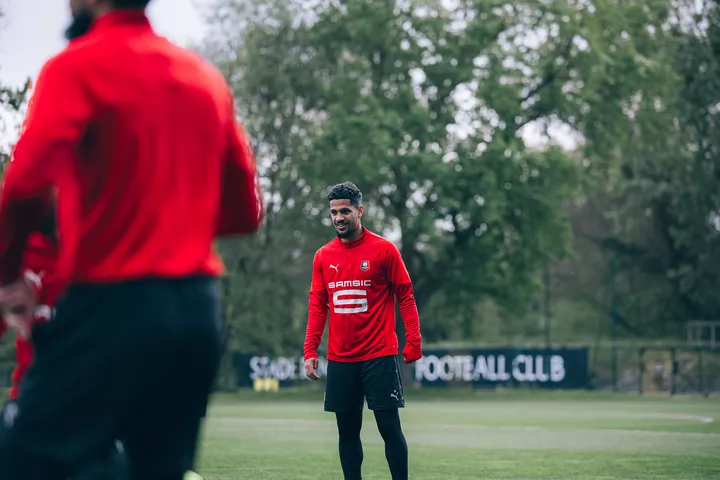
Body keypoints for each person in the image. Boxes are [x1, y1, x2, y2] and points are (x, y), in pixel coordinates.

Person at [0, 0, 263, 479]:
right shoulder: (203, 77)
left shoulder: (77, 66)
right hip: (197, 313)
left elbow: (25, 185)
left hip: (112, 302)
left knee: (22, 458)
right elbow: (245, 212)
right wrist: (168, 221)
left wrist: (7, 272)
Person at [303, 182, 423, 480]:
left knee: (389, 428)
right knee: (347, 432)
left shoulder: (384, 250)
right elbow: (318, 306)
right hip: (341, 359)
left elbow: (406, 295)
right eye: (334, 212)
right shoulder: (323, 256)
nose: (339, 218)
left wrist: (413, 341)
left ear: (360, 211)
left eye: (345, 211)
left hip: (379, 356)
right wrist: (310, 350)